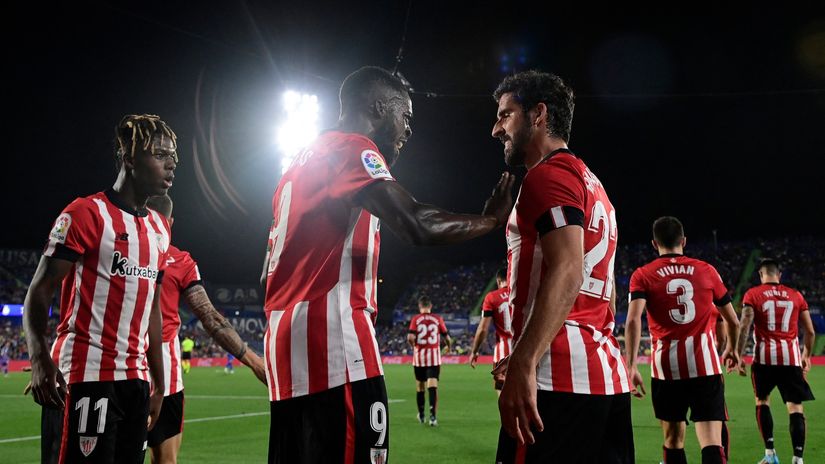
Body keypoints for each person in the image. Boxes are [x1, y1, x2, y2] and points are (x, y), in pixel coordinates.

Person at [262, 65, 514, 464]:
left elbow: (269, 274)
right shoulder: (351, 149)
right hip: (333, 341)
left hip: (285, 345)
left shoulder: (296, 166)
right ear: (379, 107)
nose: (408, 129)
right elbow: (414, 223)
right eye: (406, 116)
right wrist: (491, 220)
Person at [491, 70, 633, 463]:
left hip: (557, 383)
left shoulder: (547, 176)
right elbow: (608, 293)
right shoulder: (594, 184)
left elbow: (570, 268)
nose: (496, 129)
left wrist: (525, 360)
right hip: (606, 378)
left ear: (538, 115)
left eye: (506, 115)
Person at [23, 114, 176, 463]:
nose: (170, 165)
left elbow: (152, 307)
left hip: (135, 382)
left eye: (173, 157)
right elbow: (40, 289)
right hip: (86, 377)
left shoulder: (159, 229)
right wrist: (39, 358)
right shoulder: (85, 213)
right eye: (159, 154)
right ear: (129, 157)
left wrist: (159, 382)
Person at [144, 194, 267, 464]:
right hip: (162, 369)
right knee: (165, 460)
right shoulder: (181, 261)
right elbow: (211, 318)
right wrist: (254, 361)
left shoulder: (119, 251)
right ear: (171, 223)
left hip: (127, 364)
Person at [625, 216, 740, 464]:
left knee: (673, 440)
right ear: (684, 241)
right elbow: (733, 321)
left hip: (666, 370)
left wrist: (631, 365)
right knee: (711, 441)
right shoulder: (707, 270)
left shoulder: (643, 275)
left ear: (654, 244)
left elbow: (634, 319)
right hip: (705, 367)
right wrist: (732, 349)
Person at [737, 258, 815, 464]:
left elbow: (745, 325)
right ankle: (798, 458)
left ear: (761, 275)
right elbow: (810, 331)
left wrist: (737, 354)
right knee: (795, 407)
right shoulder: (796, 295)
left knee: (762, 402)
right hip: (790, 360)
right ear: (778, 275)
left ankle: (770, 454)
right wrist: (806, 355)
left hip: (764, 360)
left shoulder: (753, 294)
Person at [406, 295, 451, 426]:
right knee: (432, 386)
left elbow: (410, 336)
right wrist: (449, 346)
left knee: (420, 387)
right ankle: (433, 417)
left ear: (420, 306)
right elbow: (446, 337)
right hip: (434, 358)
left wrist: (413, 345)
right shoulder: (437, 319)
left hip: (419, 358)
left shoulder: (416, 319)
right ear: (430, 306)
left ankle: (421, 415)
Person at [469, 267, 512, 394]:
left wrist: (475, 351)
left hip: (502, 353)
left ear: (498, 281)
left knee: (504, 400)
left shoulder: (492, 297)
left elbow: (483, 329)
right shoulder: (523, 293)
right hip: (525, 352)